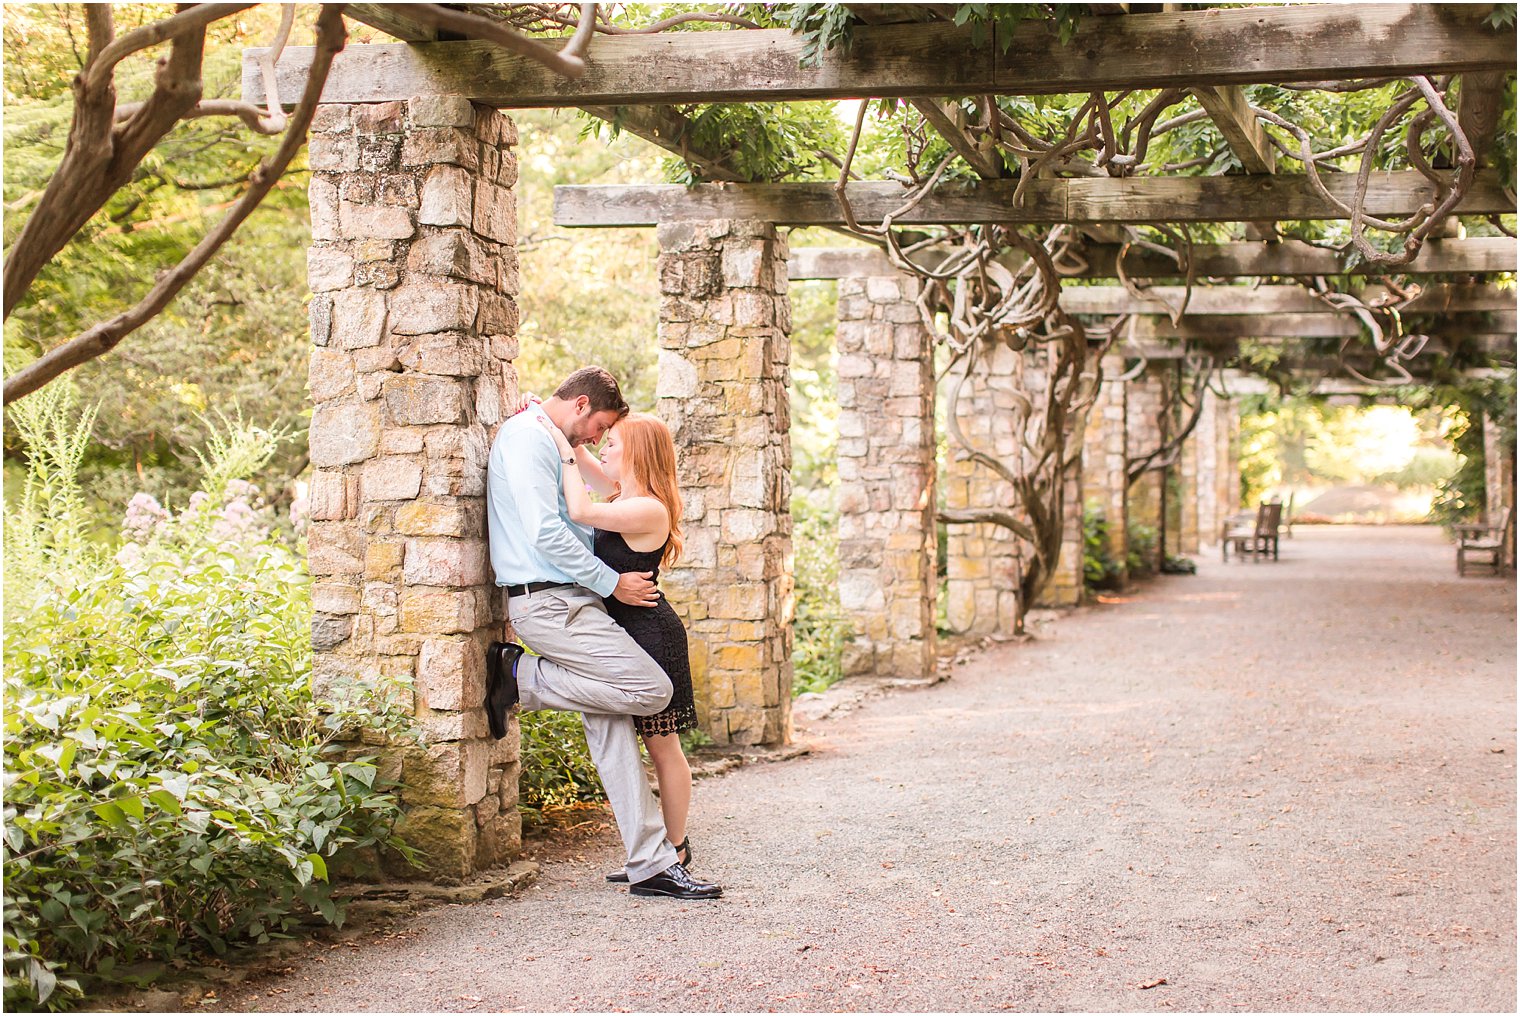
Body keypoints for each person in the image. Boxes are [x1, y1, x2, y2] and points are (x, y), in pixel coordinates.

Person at [483, 366, 720, 900]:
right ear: (583, 404)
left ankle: (650, 864)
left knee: (614, 725)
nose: (598, 439)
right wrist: (611, 584)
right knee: (650, 691)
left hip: (574, 599)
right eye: (602, 427)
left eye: (610, 436)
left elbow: (584, 510)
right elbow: (547, 531)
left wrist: (602, 585)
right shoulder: (527, 439)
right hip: (550, 602)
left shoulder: (548, 440)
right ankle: (518, 677)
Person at [536, 409, 701, 884]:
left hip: (651, 636)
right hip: (623, 631)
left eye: (614, 443)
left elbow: (580, 510)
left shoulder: (648, 507)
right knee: (643, 743)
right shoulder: (623, 494)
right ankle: (657, 853)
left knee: (663, 748)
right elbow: (586, 458)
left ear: (637, 454)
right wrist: (552, 424)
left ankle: (673, 850)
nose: (604, 448)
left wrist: (565, 457)